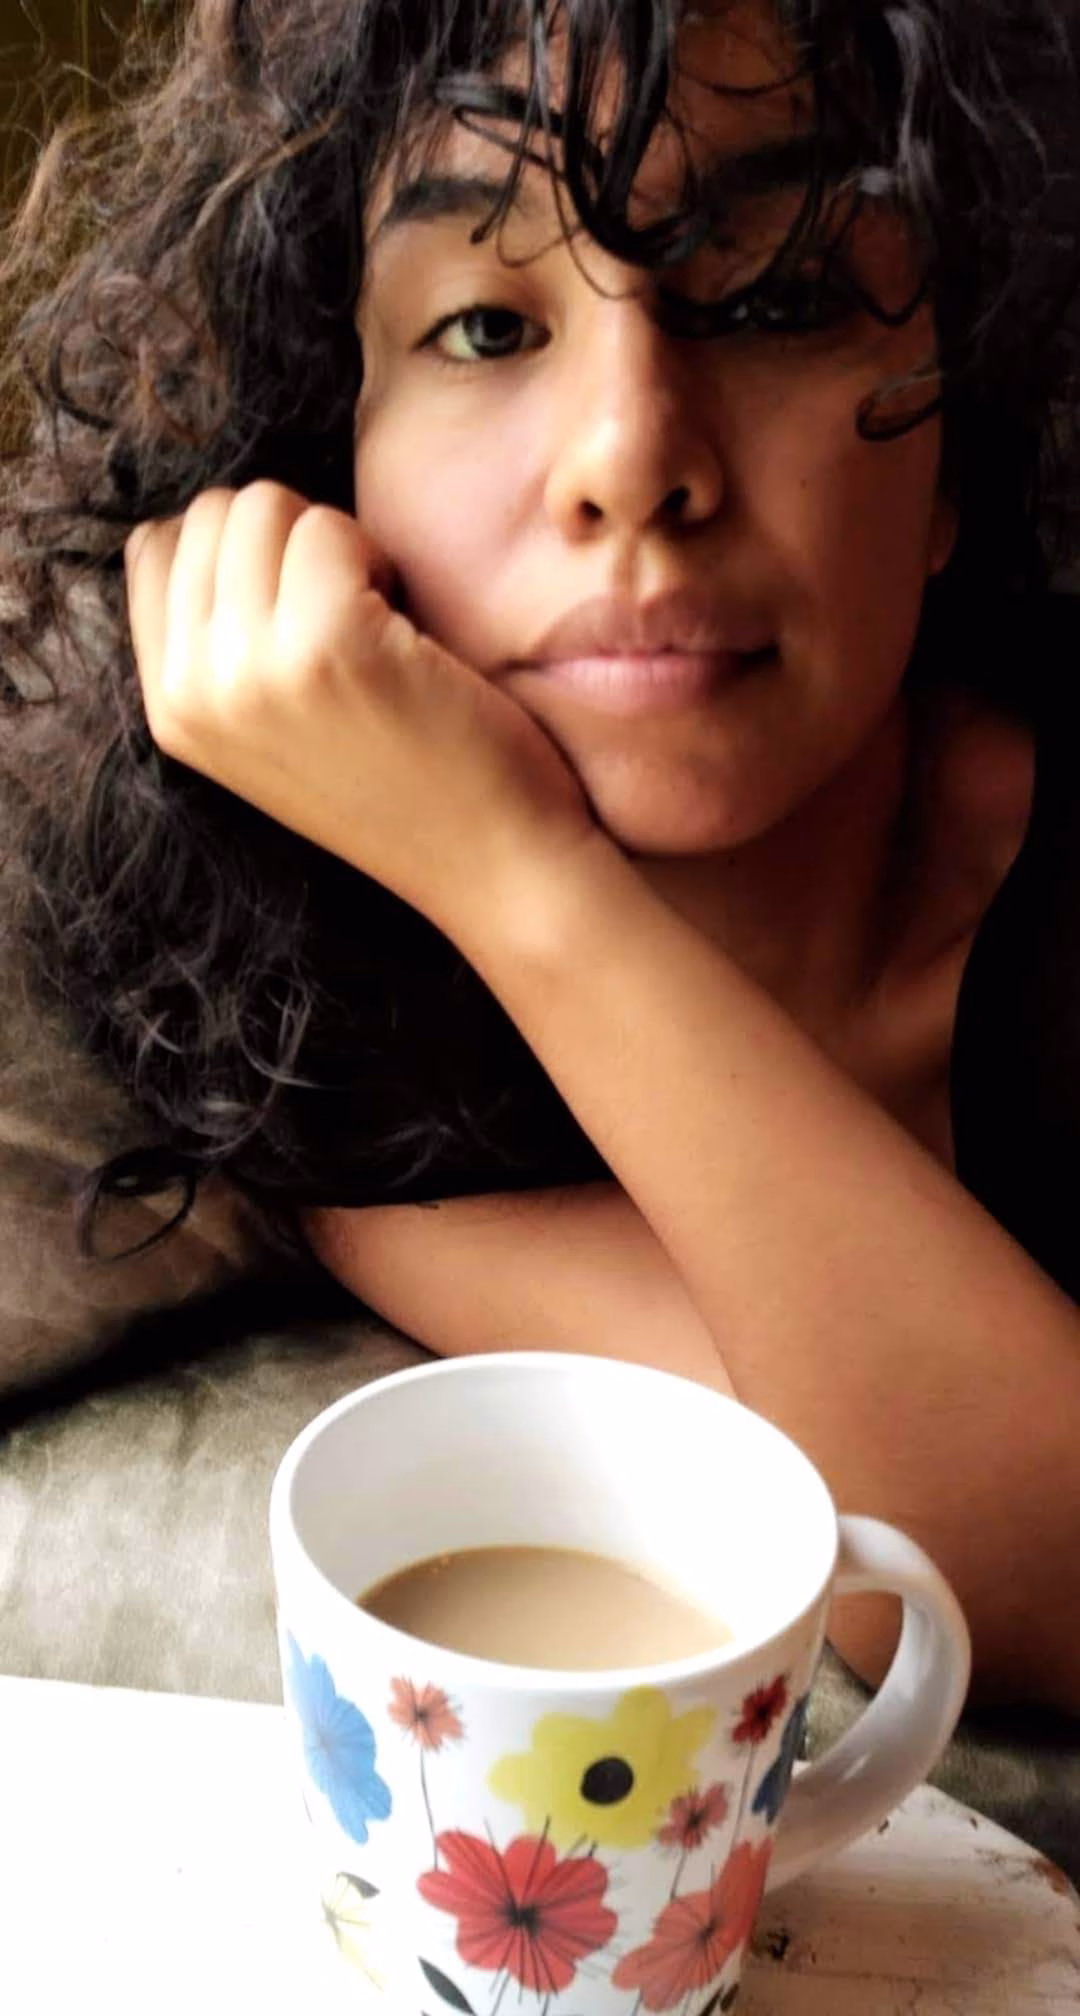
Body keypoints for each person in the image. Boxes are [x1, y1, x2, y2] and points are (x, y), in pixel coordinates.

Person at [3, 0, 1080, 1711]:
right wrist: (500, 883)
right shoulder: (321, 1009)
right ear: (332, 458)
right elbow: (937, 1531)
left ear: (964, 435)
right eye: (489, 327)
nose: (633, 460)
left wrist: (523, 881)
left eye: (780, 298)